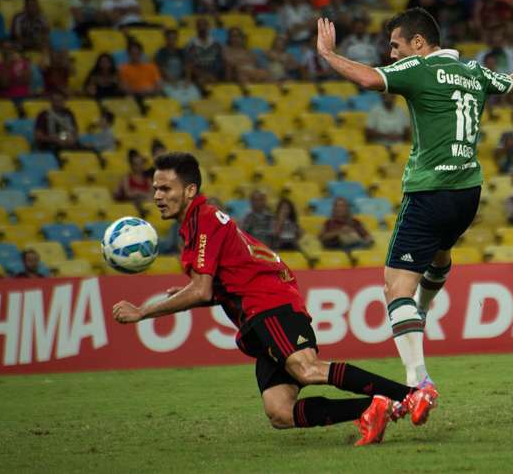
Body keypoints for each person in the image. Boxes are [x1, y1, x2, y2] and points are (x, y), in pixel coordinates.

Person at [112, 152, 437, 445]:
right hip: (258, 314)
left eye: (166, 189)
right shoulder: (196, 226)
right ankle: (377, 407)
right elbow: (217, 284)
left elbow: (202, 289)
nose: (157, 196)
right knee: (280, 412)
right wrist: (192, 292)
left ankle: (410, 396)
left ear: (189, 191)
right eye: (155, 188)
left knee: (307, 369)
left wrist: (143, 312)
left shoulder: (204, 220)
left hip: (270, 305)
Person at [315, 7, 513, 389]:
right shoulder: (474, 71)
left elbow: (371, 79)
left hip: (430, 191)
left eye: (396, 45)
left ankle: (418, 380)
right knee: (440, 251)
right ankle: (421, 311)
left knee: (395, 288)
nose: (392, 54)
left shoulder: (419, 68)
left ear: (418, 43)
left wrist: (328, 54)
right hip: (468, 193)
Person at [185, 18, 225, 87]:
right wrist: (202, 75)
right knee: (201, 81)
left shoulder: (216, 43)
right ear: (197, 28)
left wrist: (212, 74)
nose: (202, 28)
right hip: (198, 74)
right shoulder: (191, 43)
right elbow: (189, 63)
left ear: (208, 27)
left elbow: (220, 61)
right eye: (200, 25)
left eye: (204, 25)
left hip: (214, 73)